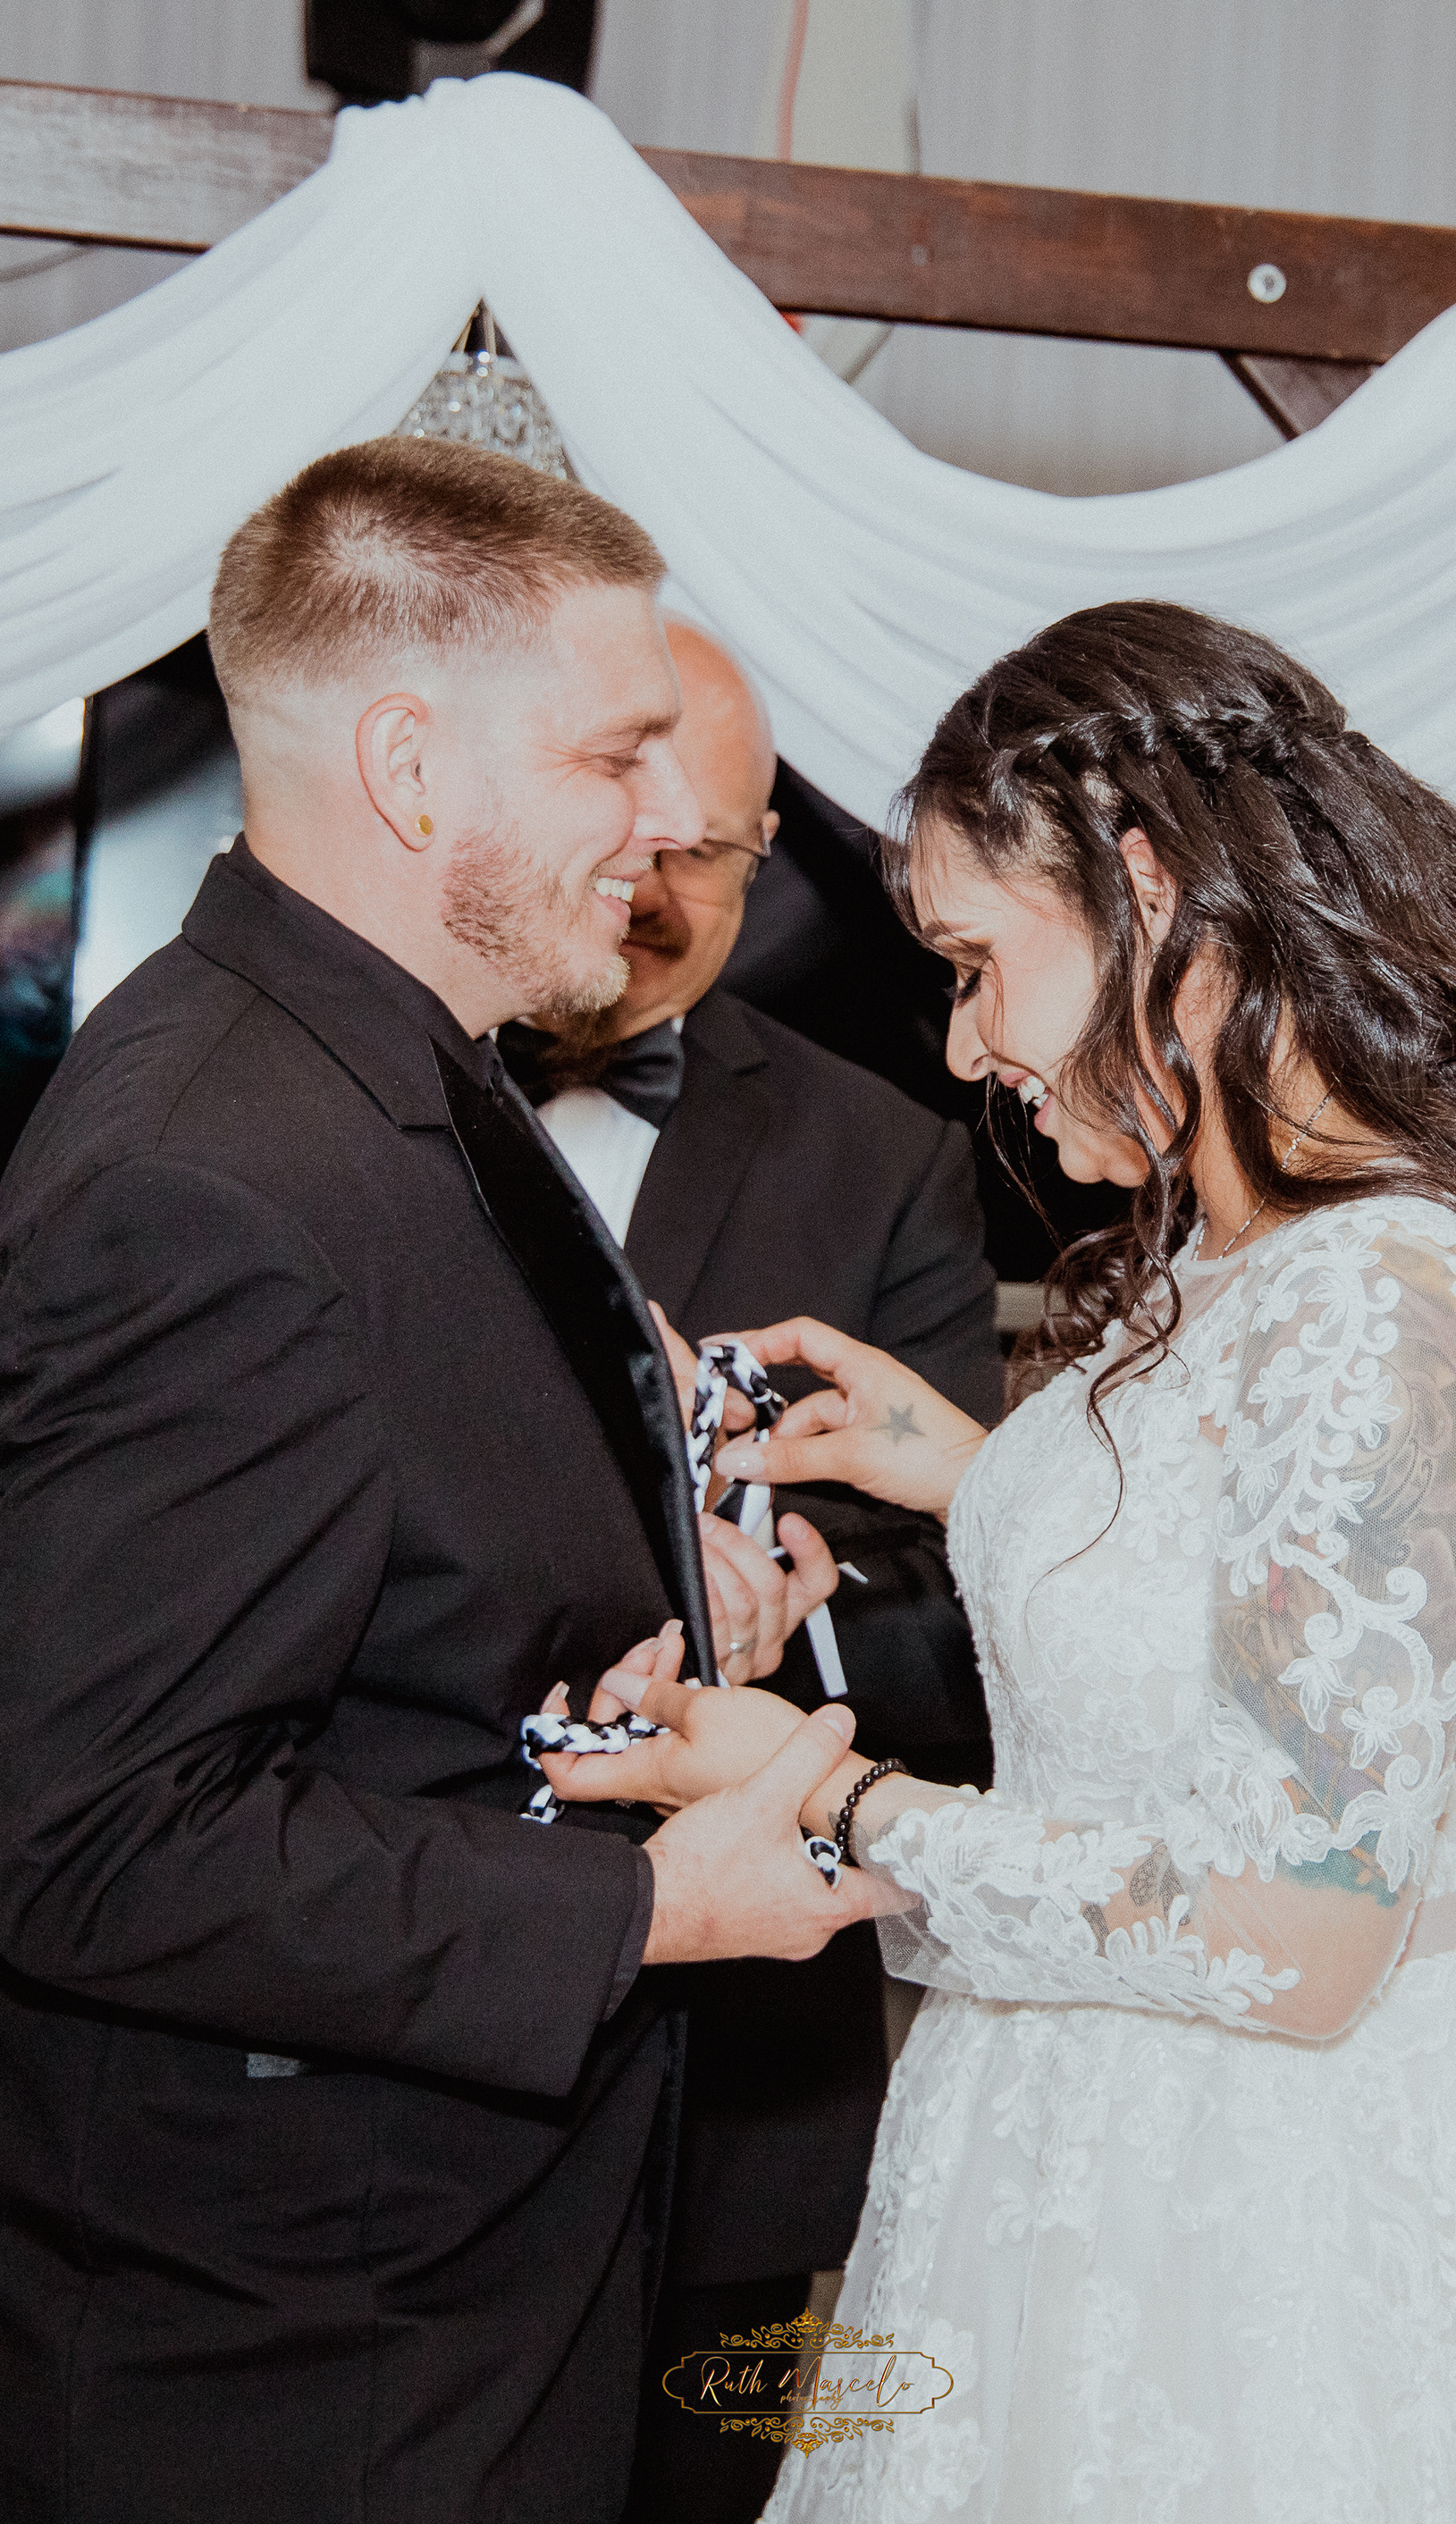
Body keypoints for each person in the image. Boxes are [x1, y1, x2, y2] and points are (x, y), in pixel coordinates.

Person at [539, 601, 1456, 2520]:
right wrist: (972, 1469)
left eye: (981, 964)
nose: (967, 1041)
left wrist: (828, 1795)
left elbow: (1294, 1933)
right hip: (1086, 2134)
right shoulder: (1244, 1251)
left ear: (1149, 888)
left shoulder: (1398, 1300)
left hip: (1279, 2205)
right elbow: (1241, 1587)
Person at [0, 436, 897, 2524]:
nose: (665, 822)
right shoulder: (215, 1174)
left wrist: (626, 1645)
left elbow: (378, 1617)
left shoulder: (378, 1069)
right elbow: (103, 1840)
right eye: (614, 755)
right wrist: (659, 1898)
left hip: (434, 2293)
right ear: (408, 766)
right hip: (282, 2371)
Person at [501, 618, 1001, 2524]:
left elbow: (961, 1594)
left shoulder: (883, 1153)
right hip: (397, 2017)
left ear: (768, 847)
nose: (646, 896)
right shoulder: (364, 1106)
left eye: (697, 856)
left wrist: (802, 1600)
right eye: (621, 844)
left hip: (745, 2077)